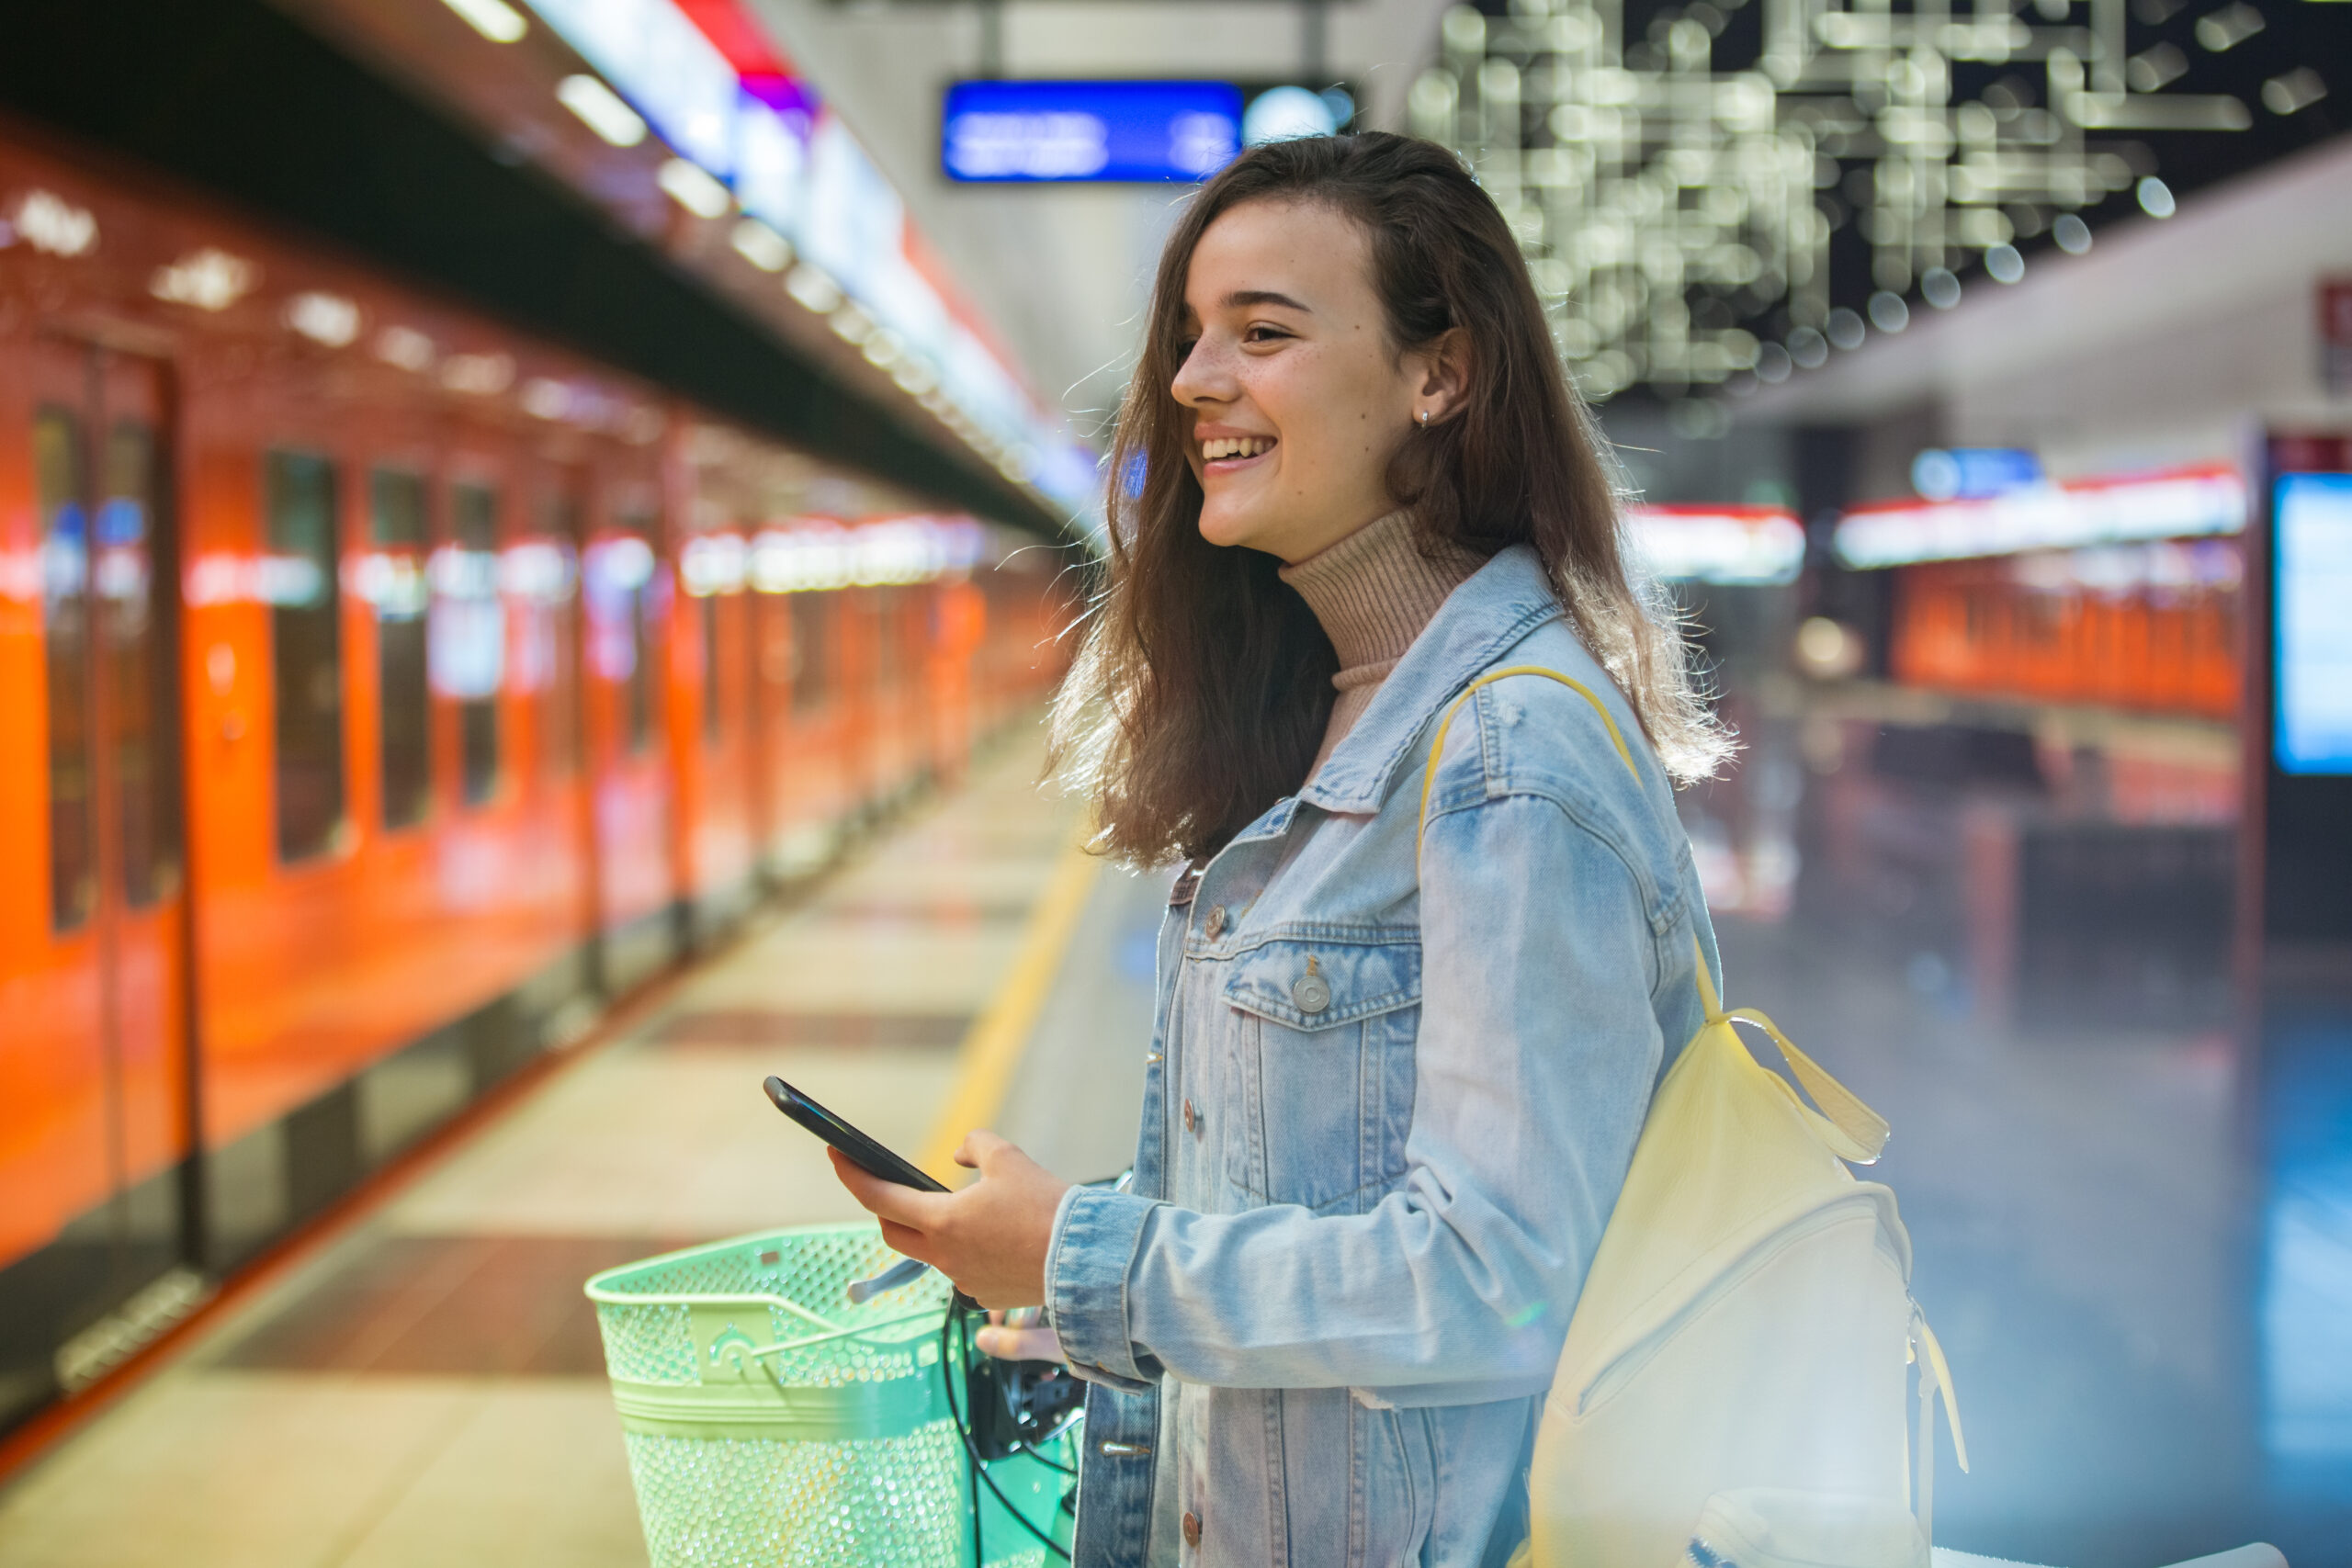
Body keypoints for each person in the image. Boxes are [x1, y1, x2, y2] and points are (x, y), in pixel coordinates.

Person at [828, 131, 1731, 1568]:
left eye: (1263, 332)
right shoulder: (1334, 714)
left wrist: (1092, 1252)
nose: (1192, 382)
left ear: (1442, 375)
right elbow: (1335, 1204)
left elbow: (1499, 1276)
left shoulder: (1506, 754)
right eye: (1192, 336)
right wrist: (1079, 1300)